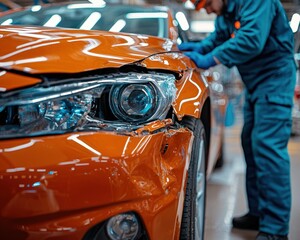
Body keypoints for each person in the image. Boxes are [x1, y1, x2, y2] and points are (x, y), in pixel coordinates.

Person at [179, 0, 296, 240]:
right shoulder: (227, 13)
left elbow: (251, 40)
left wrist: (210, 59)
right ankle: (258, 214)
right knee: (251, 144)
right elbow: (218, 39)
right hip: (254, 84)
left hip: (275, 80)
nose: (206, 10)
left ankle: (275, 230)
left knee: (268, 147)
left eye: (207, 3)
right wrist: (198, 48)